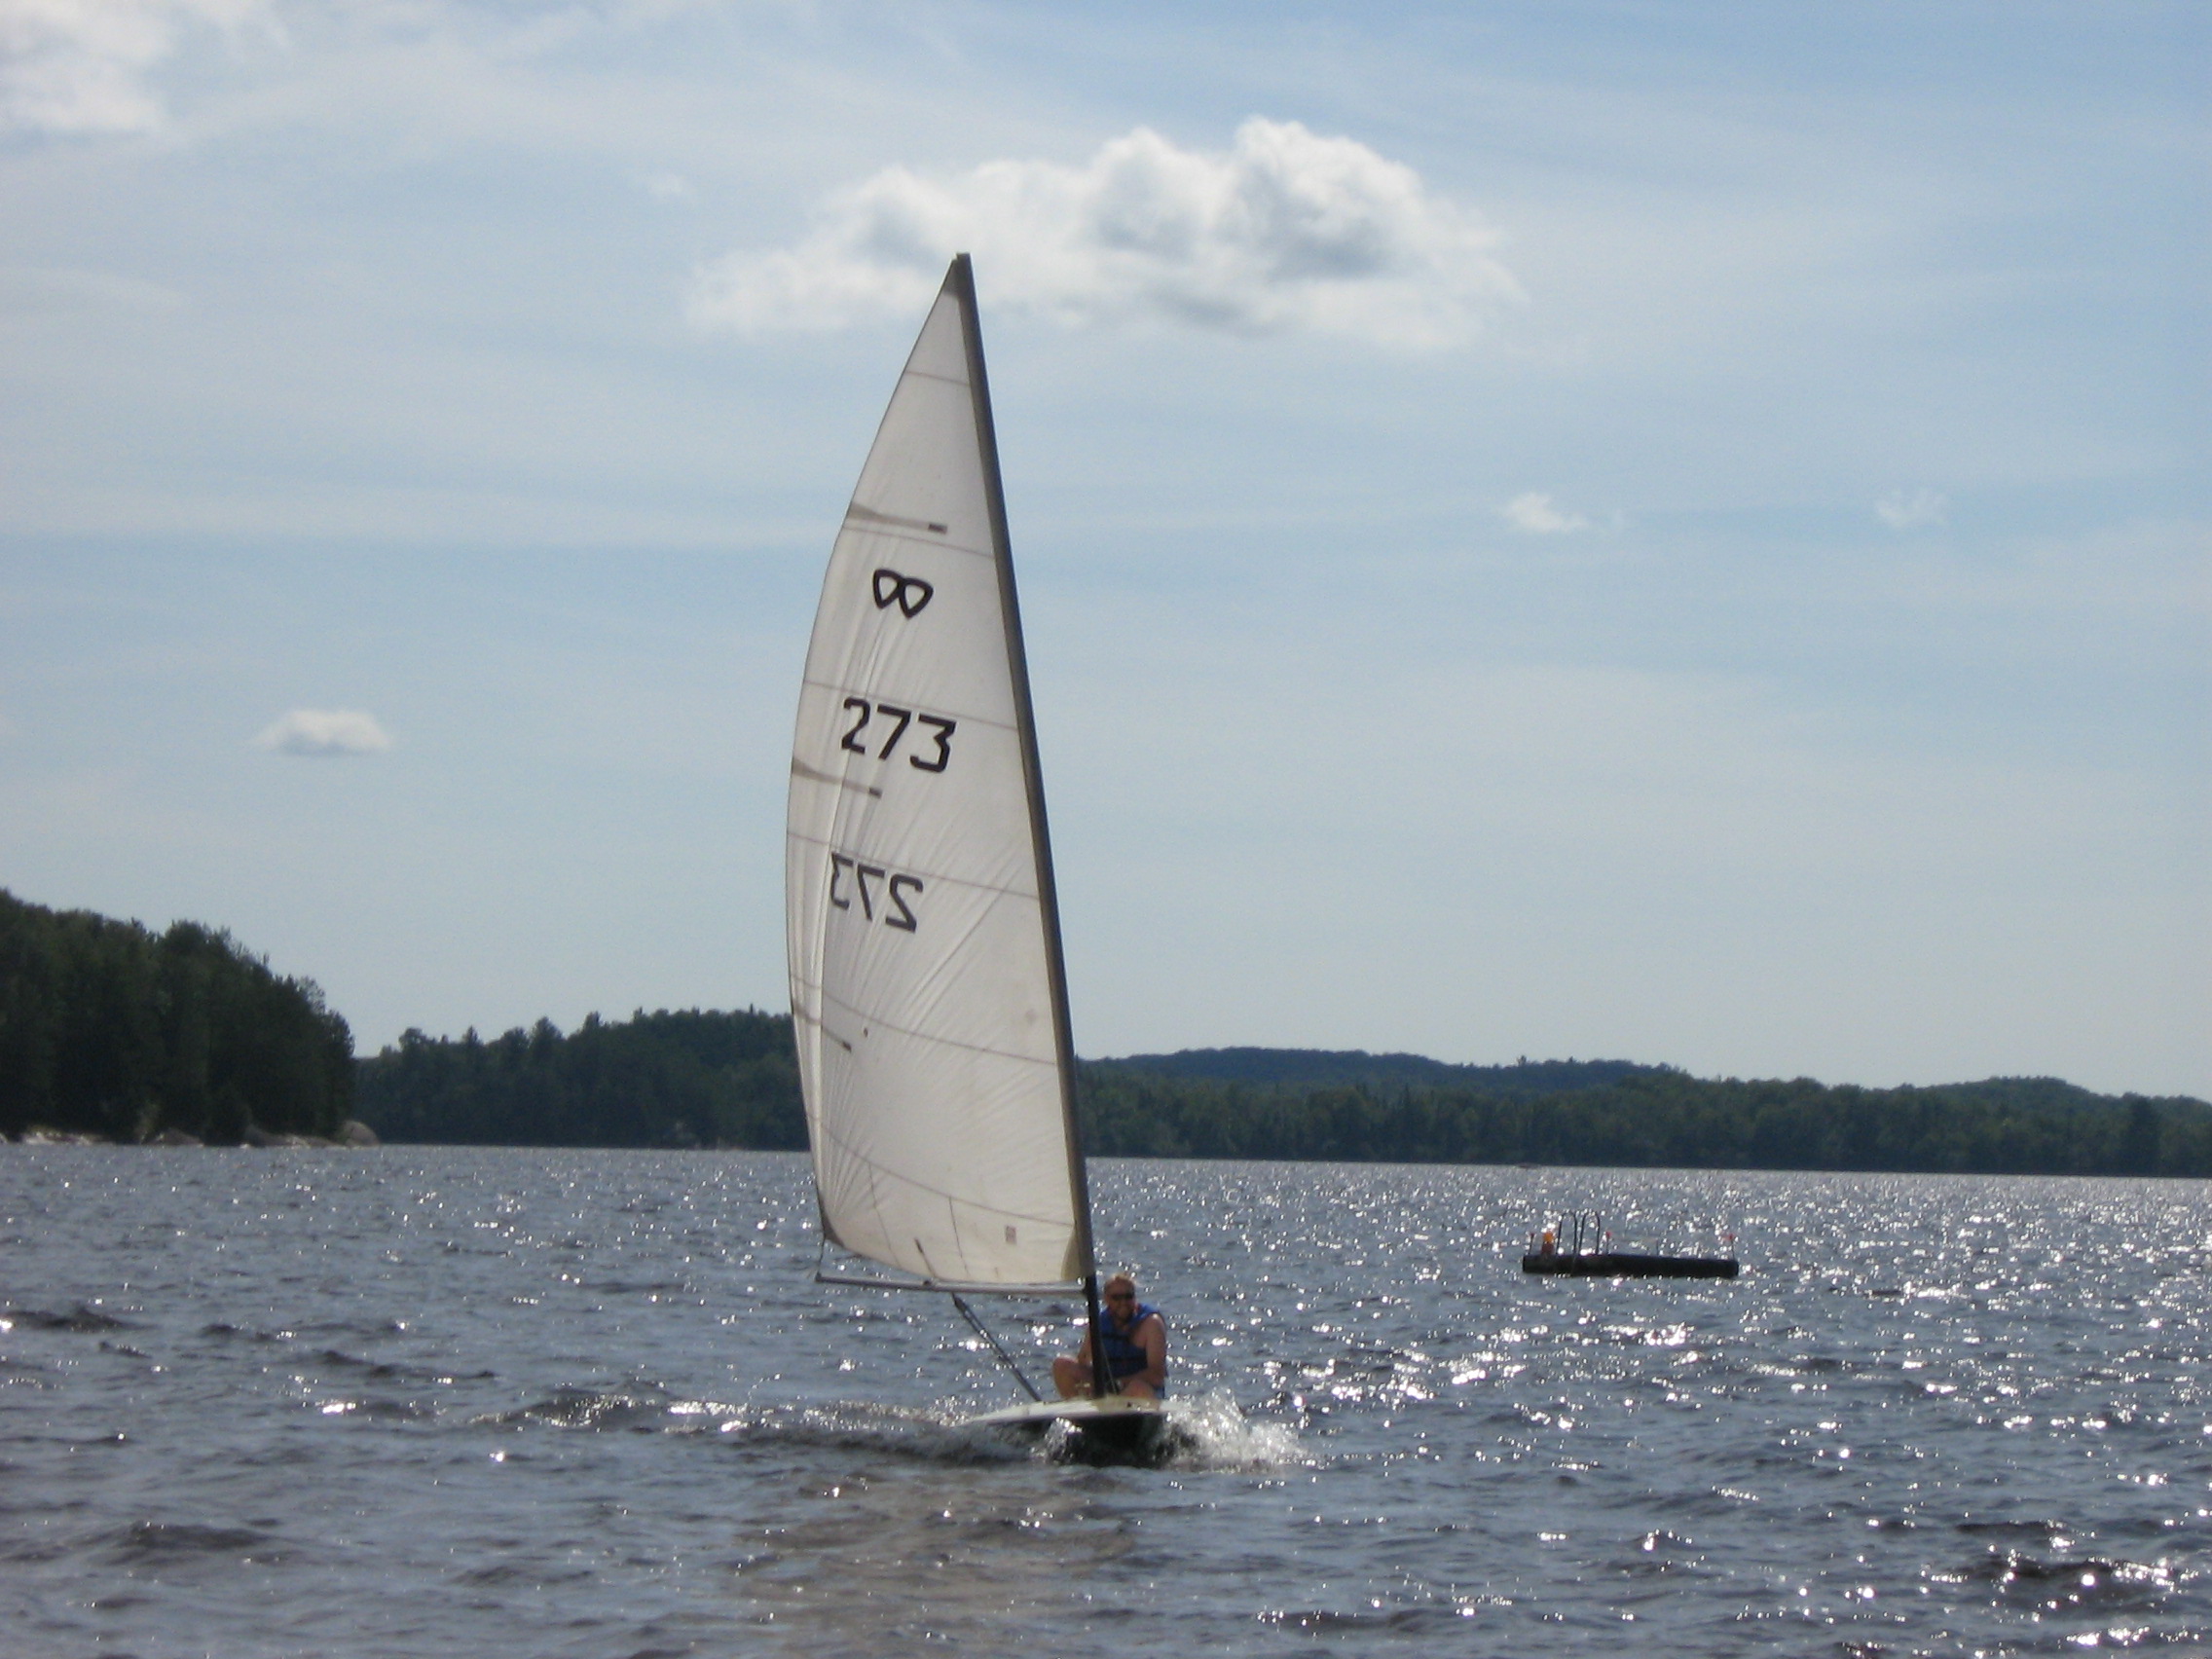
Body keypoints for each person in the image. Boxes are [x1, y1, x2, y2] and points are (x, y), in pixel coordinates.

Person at [1052, 1272, 1165, 1400]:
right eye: (1116, 1298)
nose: (1123, 1302)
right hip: (1107, 1386)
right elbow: (1083, 1360)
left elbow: (1157, 1375)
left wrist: (1119, 1383)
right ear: (1106, 1299)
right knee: (1061, 1365)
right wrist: (1089, 1385)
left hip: (1139, 1389)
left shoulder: (1151, 1323)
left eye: (1128, 1297)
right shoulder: (1100, 1322)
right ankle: (1077, 1407)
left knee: (1137, 1387)